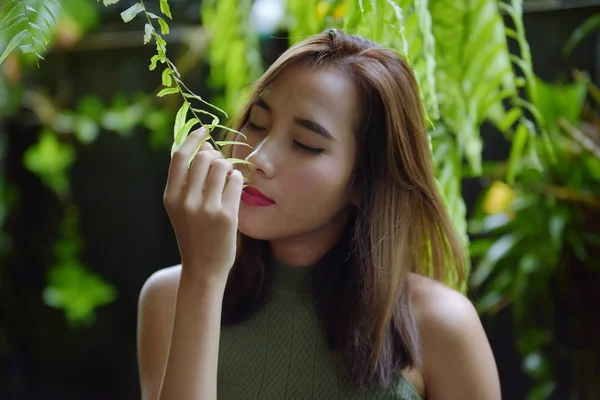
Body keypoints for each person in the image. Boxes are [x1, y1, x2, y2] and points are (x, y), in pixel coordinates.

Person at [136, 29, 501, 400]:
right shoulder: (170, 297)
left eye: (305, 145)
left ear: (363, 181)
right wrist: (202, 279)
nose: (257, 159)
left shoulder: (441, 326)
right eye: (257, 123)